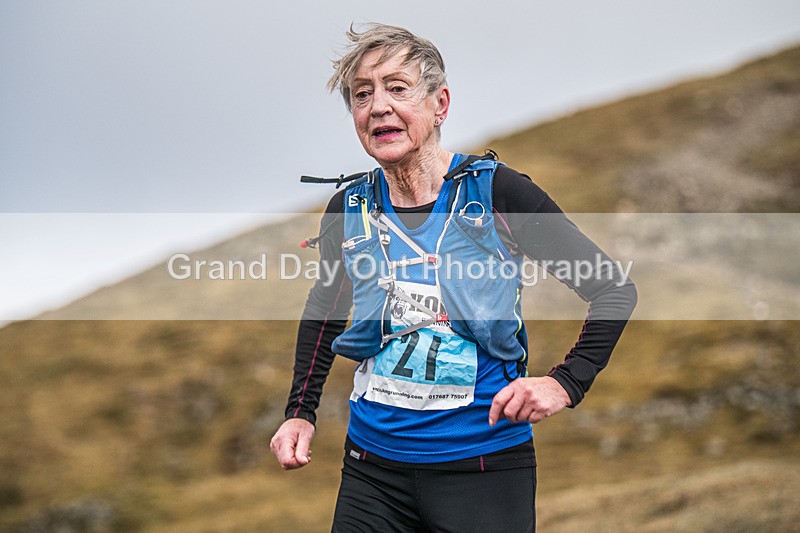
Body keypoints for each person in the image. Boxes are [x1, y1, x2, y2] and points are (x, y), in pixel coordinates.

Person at [270, 23, 637, 532]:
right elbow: (326, 311)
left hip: (483, 467)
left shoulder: (499, 194)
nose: (377, 106)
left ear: (440, 104)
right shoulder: (348, 208)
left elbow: (612, 289)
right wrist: (300, 412)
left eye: (397, 88)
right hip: (371, 470)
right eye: (362, 95)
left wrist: (564, 384)